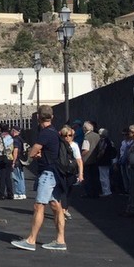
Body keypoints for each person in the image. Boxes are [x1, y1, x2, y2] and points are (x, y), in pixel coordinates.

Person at [11, 106, 67, 251]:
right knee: (56, 206)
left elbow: (33, 150)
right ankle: (60, 240)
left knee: (39, 205)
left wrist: (34, 154)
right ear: (52, 117)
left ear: (38, 118)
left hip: (47, 173)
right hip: (55, 172)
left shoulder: (45, 133)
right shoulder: (54, 132)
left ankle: (31, 240)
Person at [59, 124, 84, 220]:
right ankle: (62, 210)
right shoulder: (59, 145)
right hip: (61, 170)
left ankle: (65, 209)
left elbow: (79, 160)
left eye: (70, 135)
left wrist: (81, 174)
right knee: (63, 191)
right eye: (65, 135)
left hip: (71, 170)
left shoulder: (74, 146)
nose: (67, 138)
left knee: (69, 190)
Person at [0, 123, 15, 200]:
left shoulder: (1, 137)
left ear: (0, 129)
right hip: (10, 157)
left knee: (1, 177)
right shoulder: (10, 137)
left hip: (2, 158)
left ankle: (1, 194)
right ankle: (10, 194)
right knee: (8, 177)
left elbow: (0, 149)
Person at [80, 121, 100, 198]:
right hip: (95, 159)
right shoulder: (97, 135)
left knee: (88, 178)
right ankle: (96, 192)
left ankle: (89, 193)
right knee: (95, 177)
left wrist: (81, 156)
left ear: (85, 128)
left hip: (87, 160)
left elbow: (86, 149)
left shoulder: (86, 137)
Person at [10, 124, 28, 200]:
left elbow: (16, 150)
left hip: (17, 160)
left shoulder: (15, 139)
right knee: (21, 177)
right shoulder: (21, 139)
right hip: (21, 160)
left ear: (13, 131)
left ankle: (19, 193)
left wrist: (13, 161)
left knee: (16, 177)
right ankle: (22, 193)